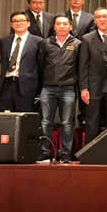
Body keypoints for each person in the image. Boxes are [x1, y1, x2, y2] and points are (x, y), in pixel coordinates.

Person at [37, 16, 80, 163]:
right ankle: (45, 152)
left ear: (70, 26)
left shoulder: (77, 44)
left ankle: (65, 153)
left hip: (68, 89)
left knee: (67, 123)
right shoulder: (46, 43)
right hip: (48, 88)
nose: (62, 26)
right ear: (54, 27)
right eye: (58, 24)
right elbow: (41, 64)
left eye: (65, 24)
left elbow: (79, 67)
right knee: (45, 122)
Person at [79, 8, 107, 146]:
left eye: (105, 16)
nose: (102, 19)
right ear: (95, 20)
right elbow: (83, 65)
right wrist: (83, 88)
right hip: (93, 86)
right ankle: (90, 151)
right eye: (99, 17)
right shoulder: (87, 39)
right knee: (92, 122)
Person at [0, 11, 40, 112]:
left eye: (22, 21)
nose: (18, 23)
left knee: (23, 117)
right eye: (15, 21)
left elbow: (40, 66)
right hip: (6, 85)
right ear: (11, 24)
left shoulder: (38, 41)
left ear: (28, 23)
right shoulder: (4, 41)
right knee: (5, 117)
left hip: (26, 86)